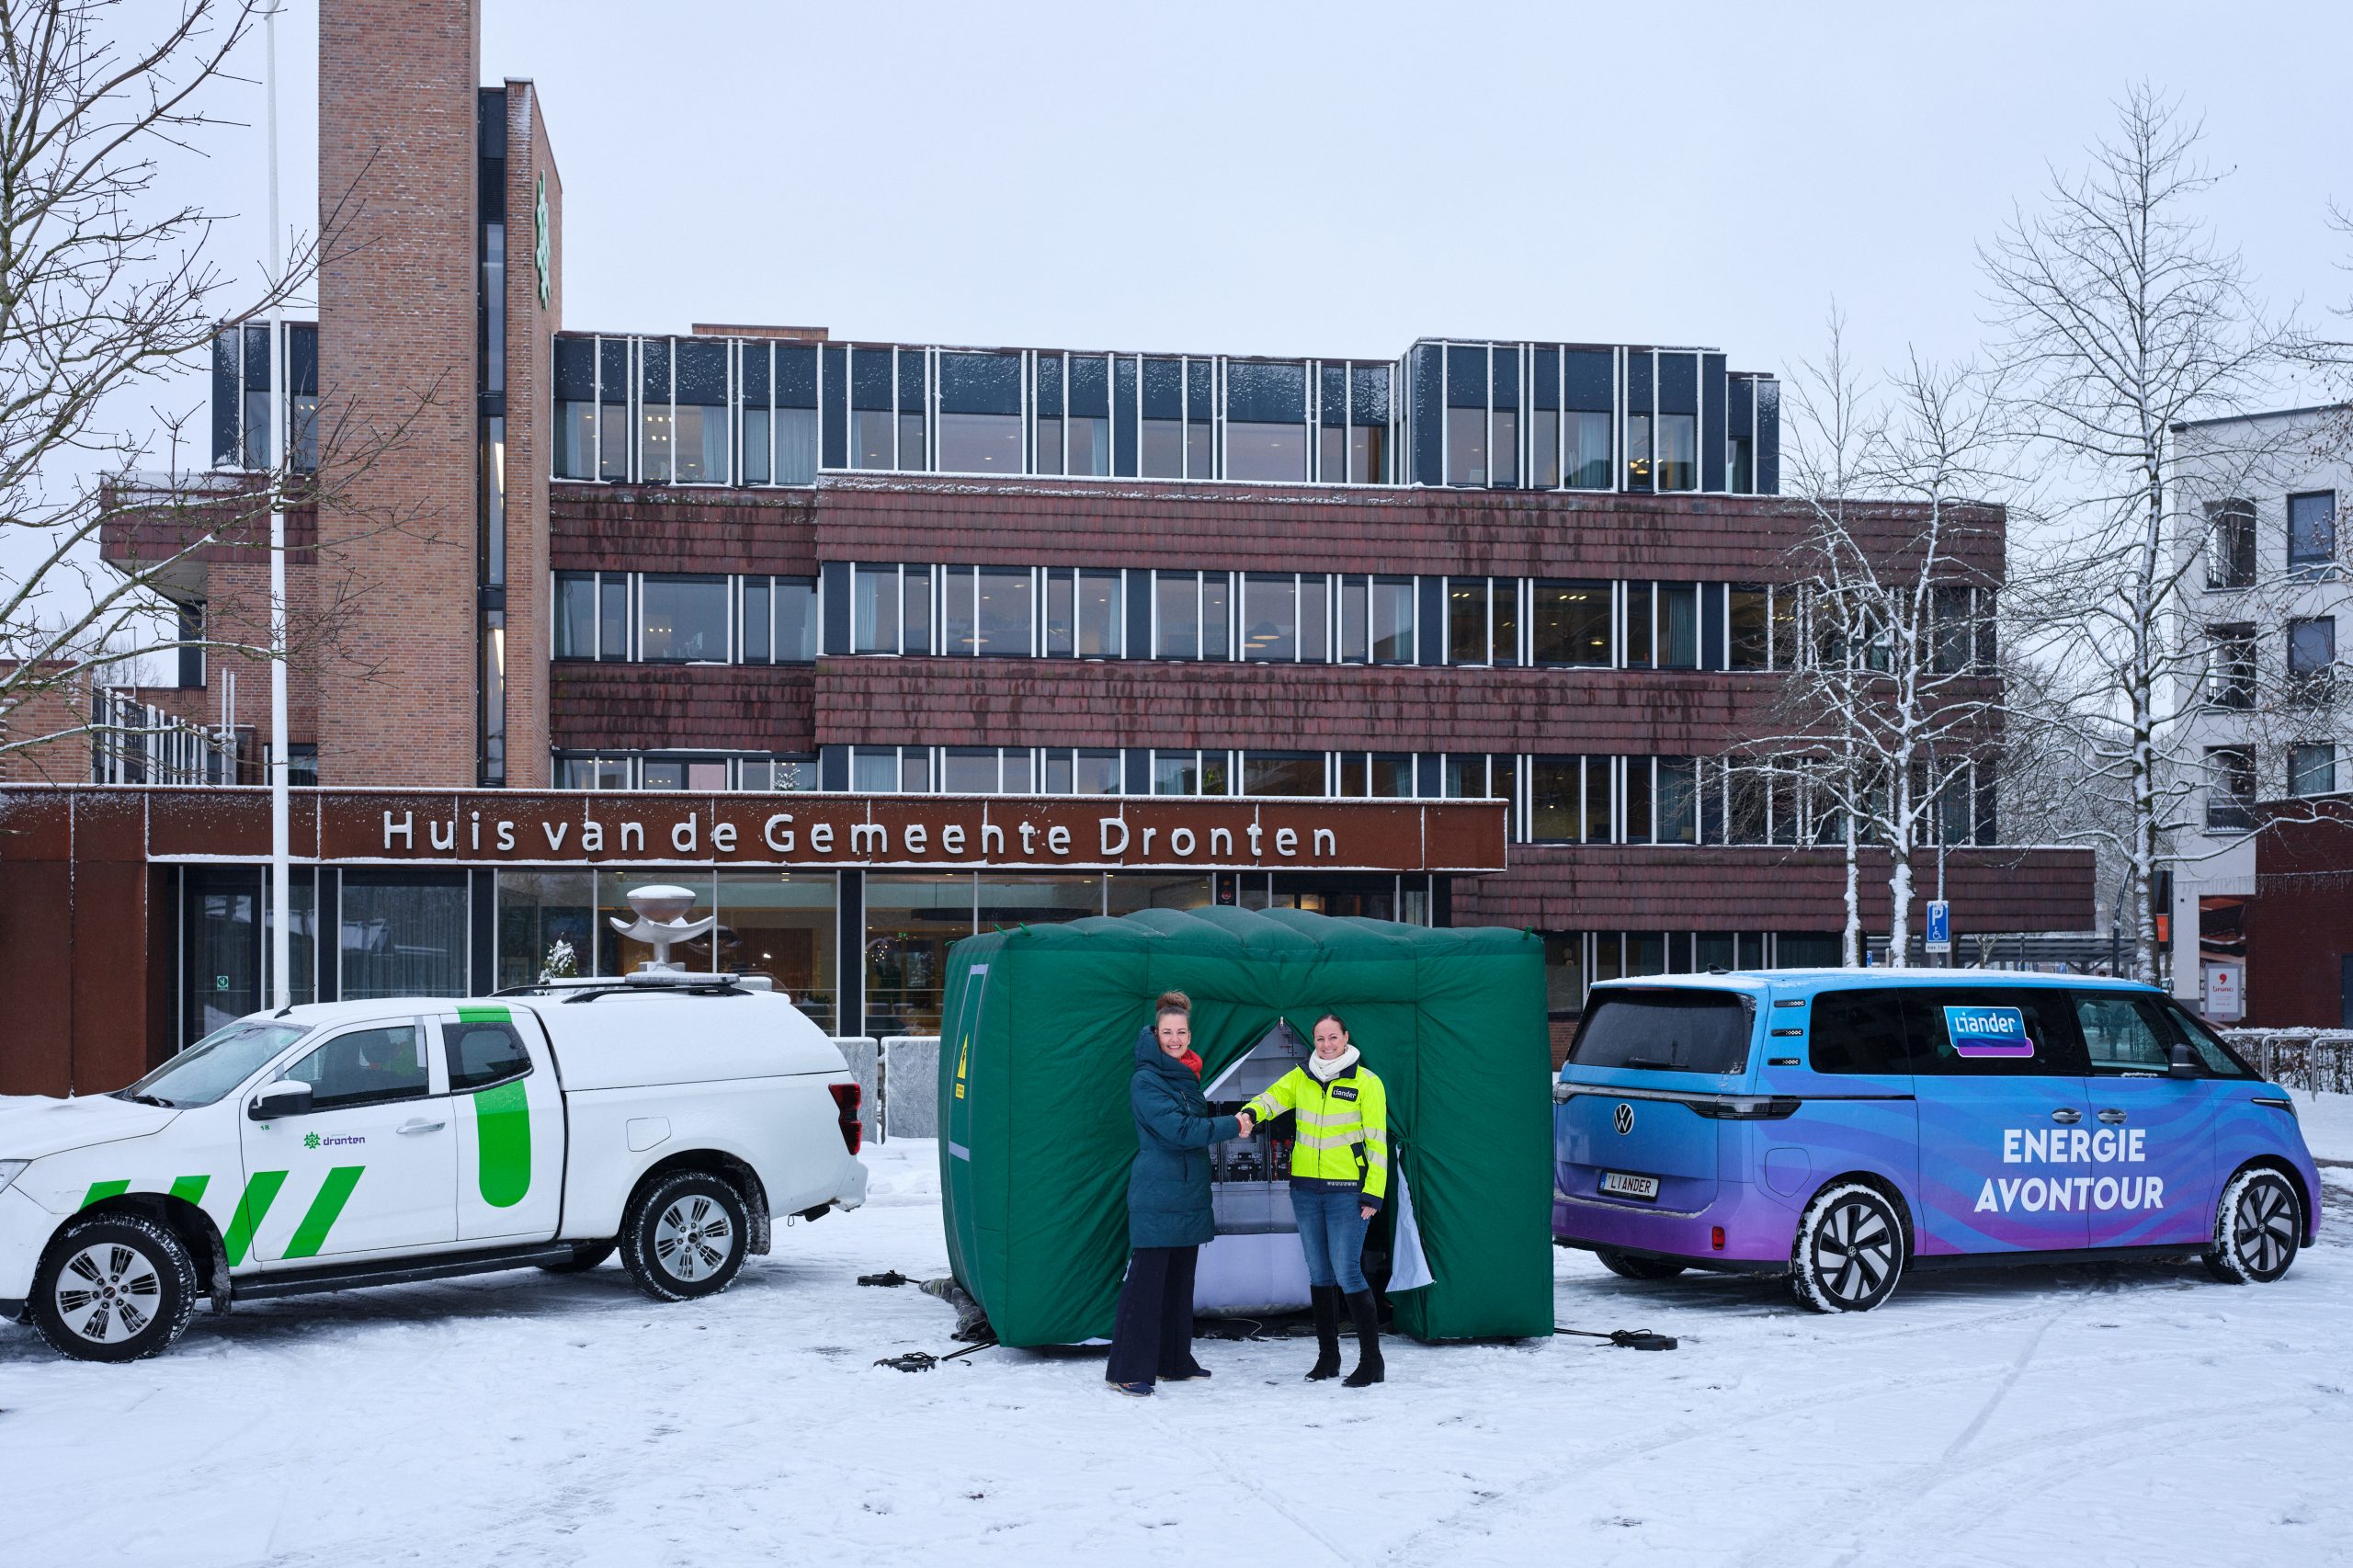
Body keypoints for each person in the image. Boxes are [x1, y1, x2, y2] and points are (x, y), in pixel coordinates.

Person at [1105, 990, 1245, 1397]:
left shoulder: (1186, 1074)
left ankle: (1173, 1360)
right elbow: (1179, 1131)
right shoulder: (1146, 1079)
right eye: (1167, 1032)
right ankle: (1127, 1369)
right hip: (1158, 1190)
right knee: (1146, 1285)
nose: (1175, 1039)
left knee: (1180, 1281)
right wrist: (1234, 1125)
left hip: (1186, 1188)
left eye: (1181, 1032)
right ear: (1156, 1033)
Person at [1243, 1011, 1389, 1387]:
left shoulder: (1367, 1082)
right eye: (1320, 1039)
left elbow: (1377, 1141)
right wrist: (1250, 1113)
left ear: (1346, 1037)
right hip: (1306, 1191)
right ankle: (1328, 1358)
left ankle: (1372, 1362)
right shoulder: (1302, 1077)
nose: (1326, 1045)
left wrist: (1374, 1191)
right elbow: (1272, 1098)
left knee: (1347, 1272)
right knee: (1319, 1274)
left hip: (1348, 1195)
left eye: (1333, 1038)